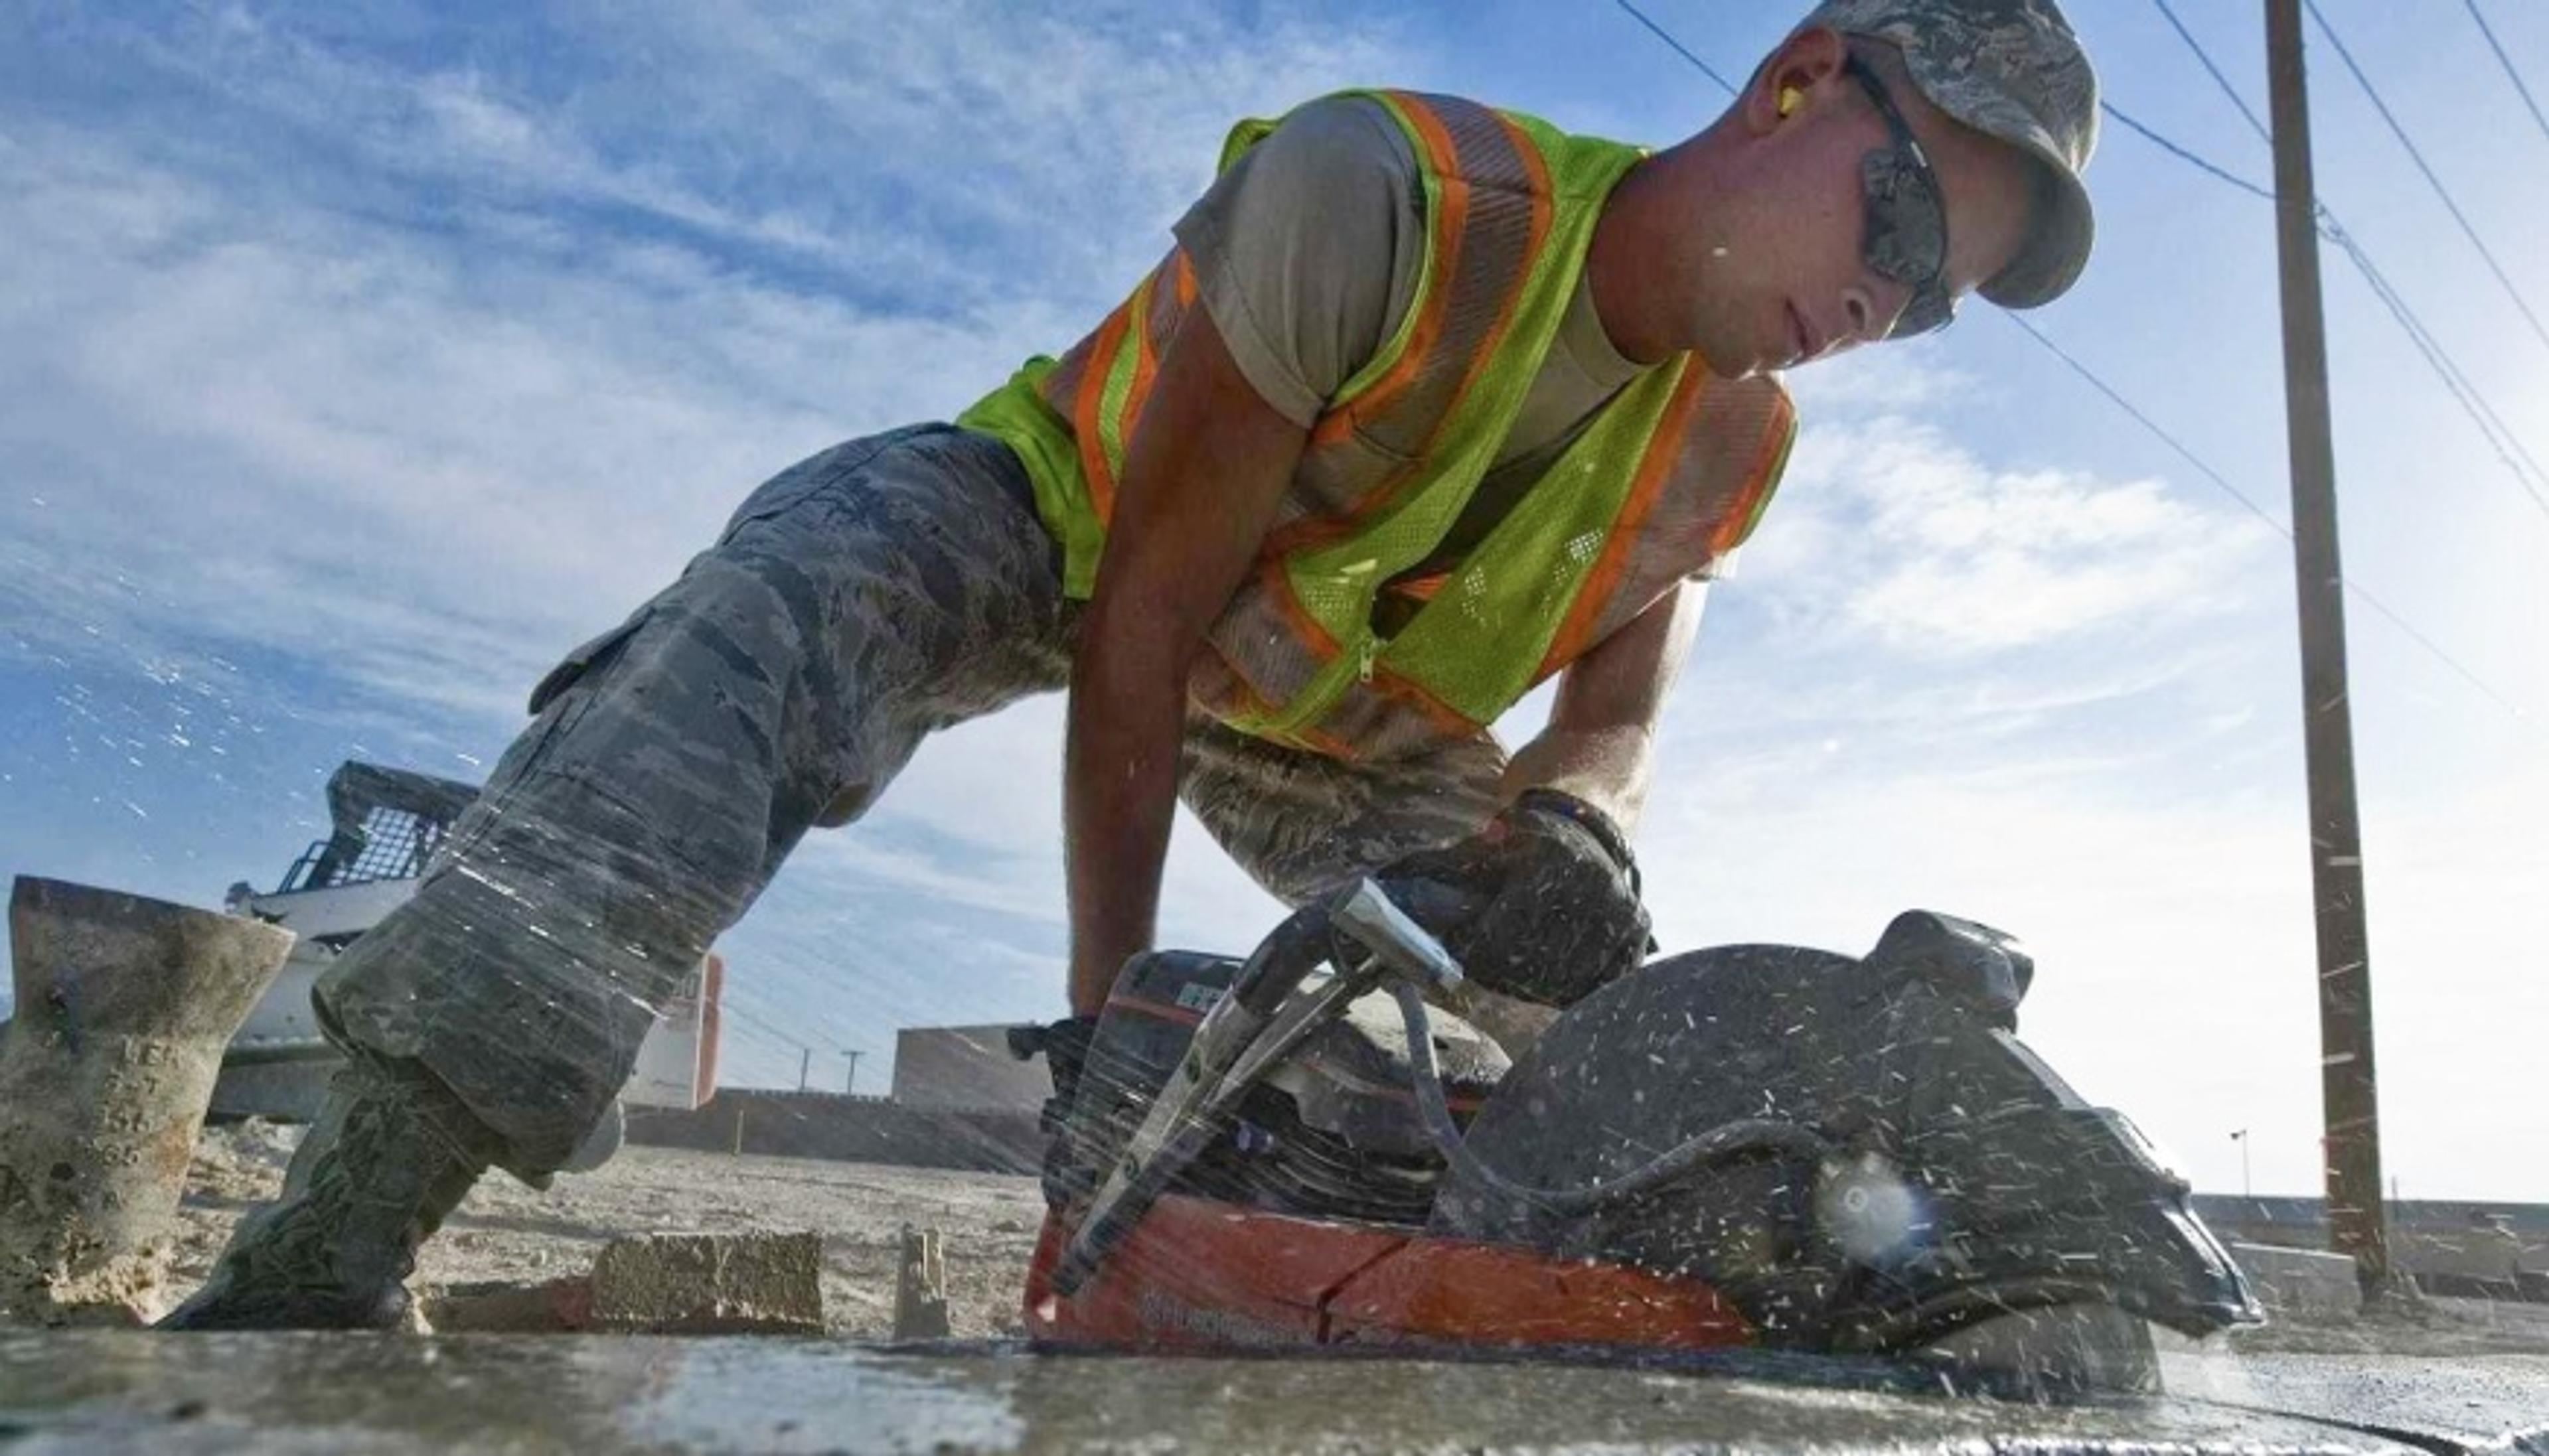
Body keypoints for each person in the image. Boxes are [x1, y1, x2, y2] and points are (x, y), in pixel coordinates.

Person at [162, 0, 2100, 1329]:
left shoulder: (1737, 438)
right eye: (1902, 213)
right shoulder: (1398, 197)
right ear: (1799, 77)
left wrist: (1578, 832)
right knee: (770, 619)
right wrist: (1103, 1051)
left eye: (1929, 302)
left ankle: (1588, 1298)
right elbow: (1143, 625)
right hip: (1070, 534)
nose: (1879, 301)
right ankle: (337, 1230)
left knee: (1582, 1022)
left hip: (1342, 720)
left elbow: (1614, 708)